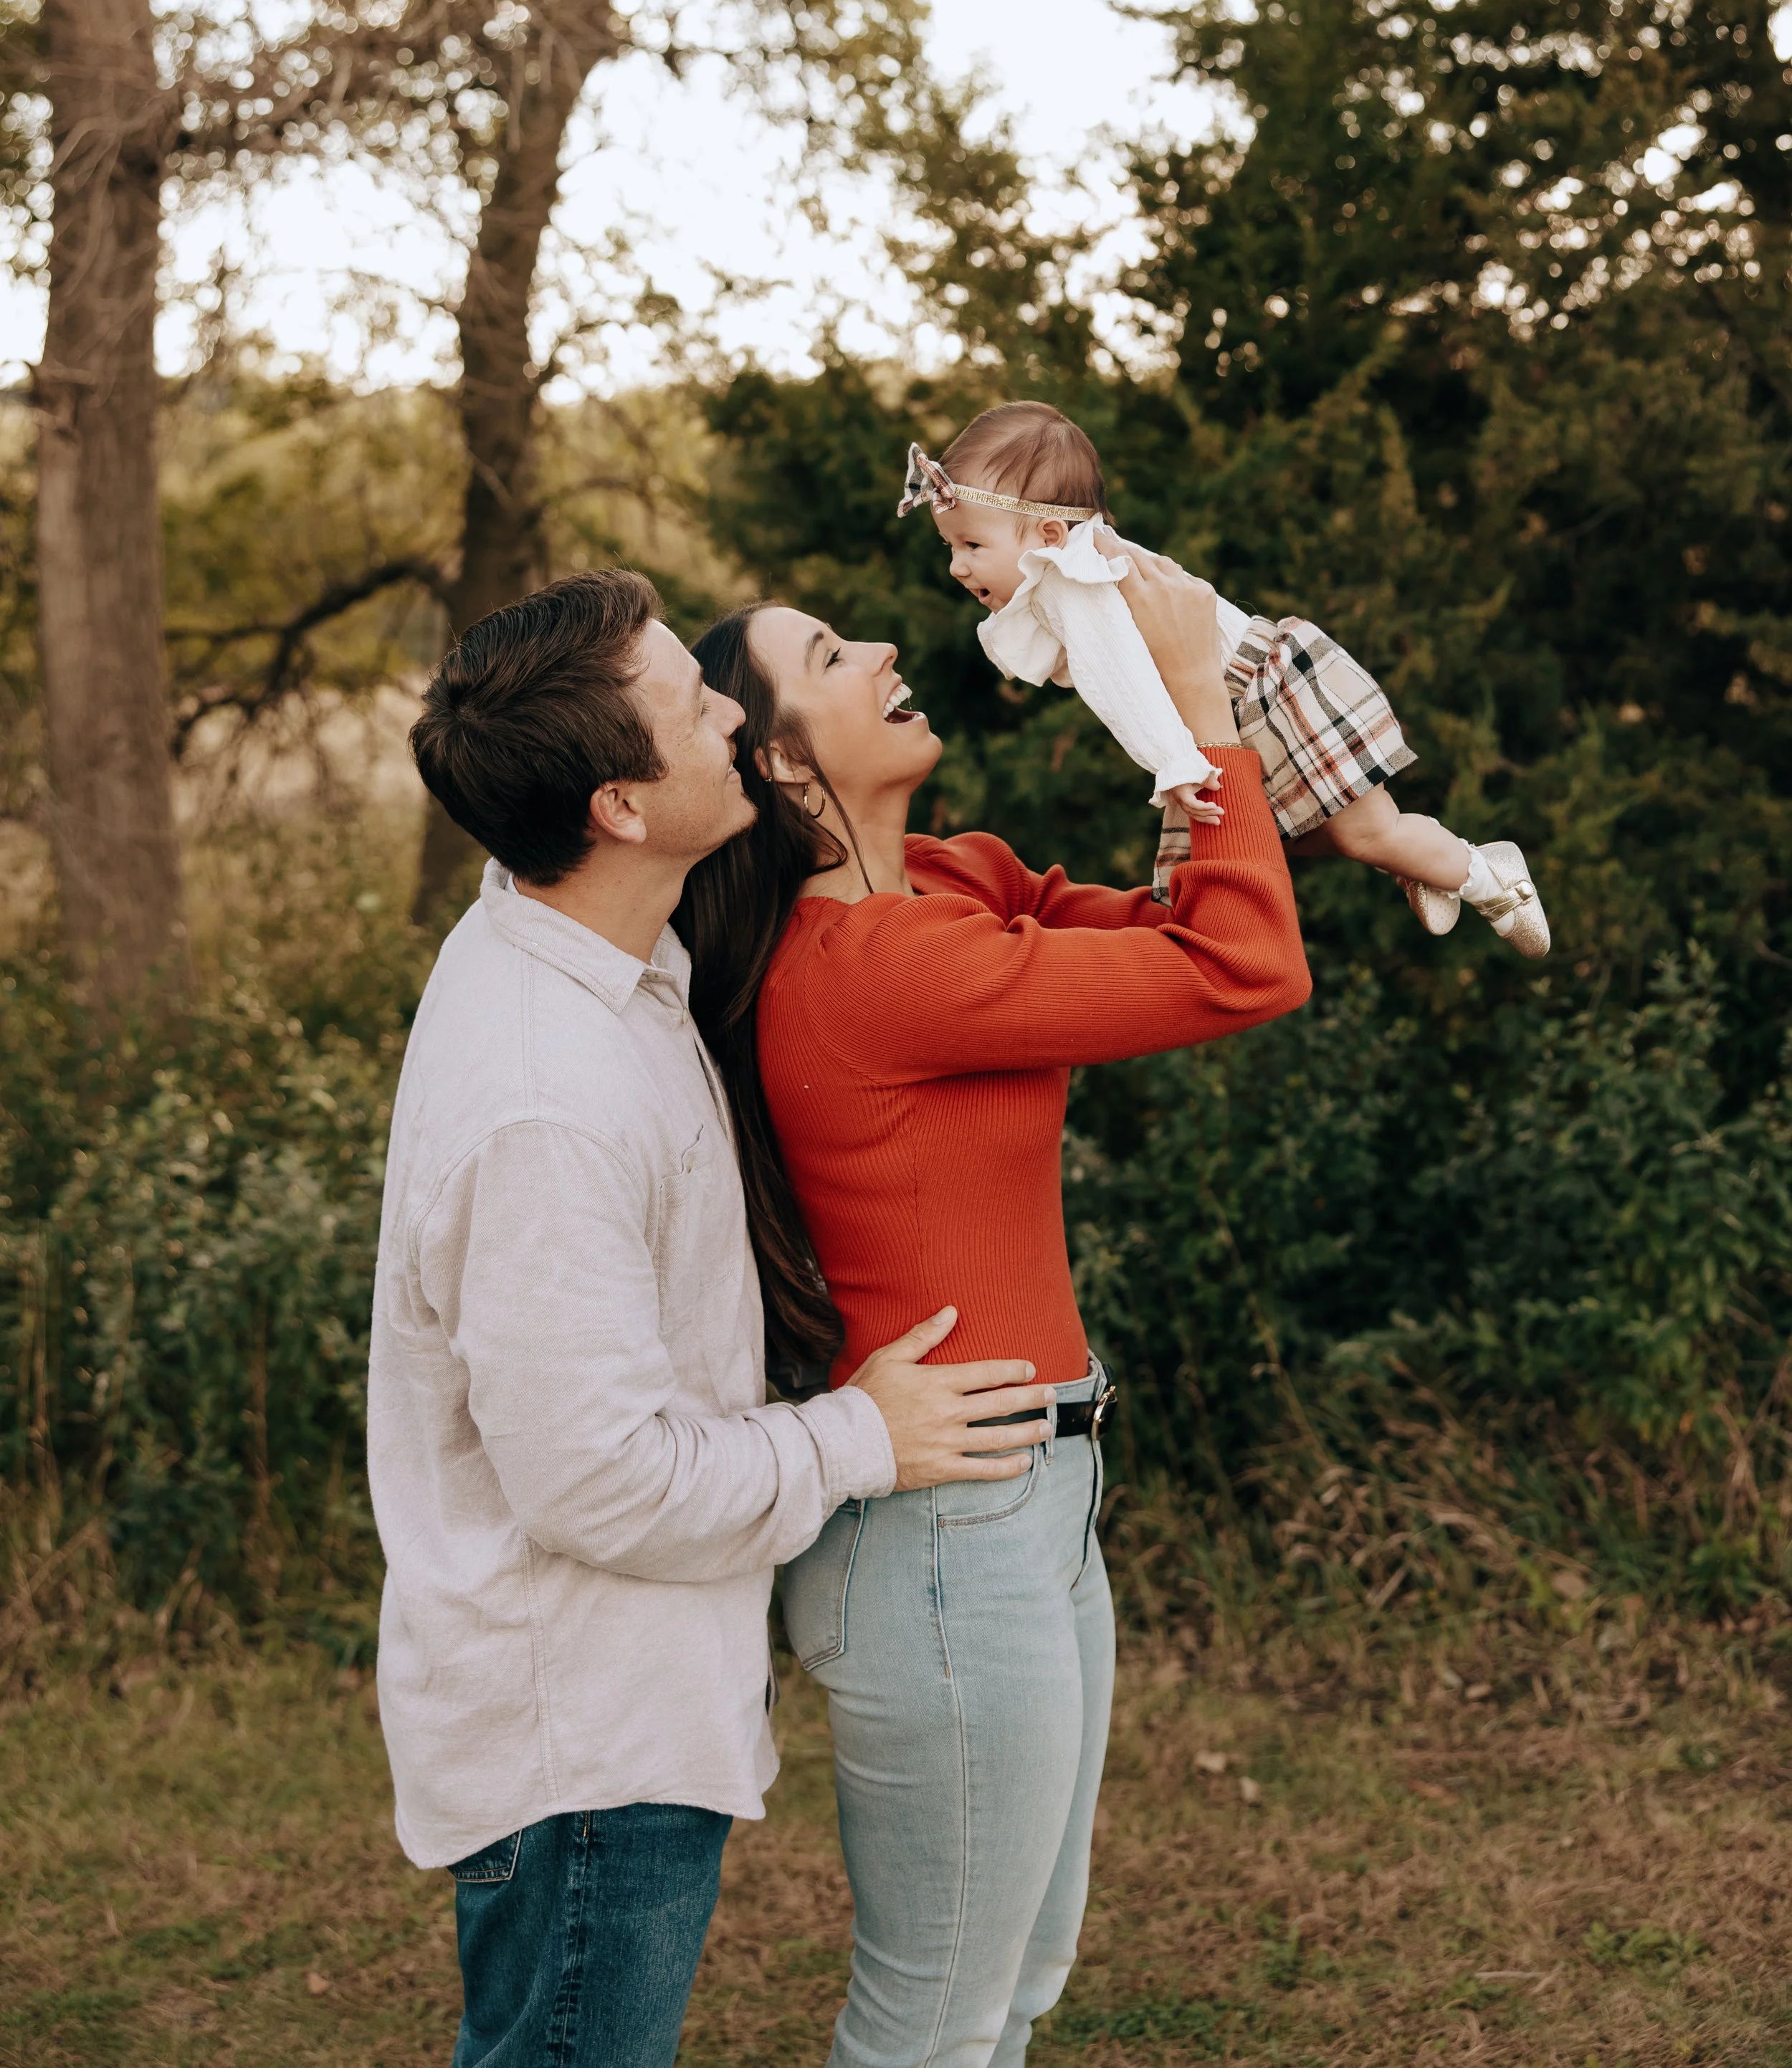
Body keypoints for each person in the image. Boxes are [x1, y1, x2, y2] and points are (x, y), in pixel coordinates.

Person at [370, 570, 1050, 2068]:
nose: (735, 716)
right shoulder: (545, 1095)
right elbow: (598, 1480)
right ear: (617, 805)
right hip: (581, 1751)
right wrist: (860, 1437)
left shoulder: (596, 953)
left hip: (632, 1706)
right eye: (695, 705)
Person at [672, 549, 1310, 2068]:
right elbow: (1240, 965)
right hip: (942, 1541)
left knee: (1012, 1991)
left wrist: (1170, 740)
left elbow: (1162, 927)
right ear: (777, 763)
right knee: (931, 2024)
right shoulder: (873, 968)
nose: (886, 643)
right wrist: (1199, 712)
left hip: (1035, 1498)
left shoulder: (946, 883)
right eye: (831, 654)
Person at [900, 399, 1549, 956]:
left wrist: (1173, 764)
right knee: (1273, 849)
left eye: (972, 546)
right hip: (1235, 709)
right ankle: (1418, 864)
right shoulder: (1075, 564)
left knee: (1362, 832)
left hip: (1260, 695)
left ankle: (1489, 878)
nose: (957, 567)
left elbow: (1119, 683)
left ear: (1045, 532)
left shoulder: (1075, 580)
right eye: (950, 547)